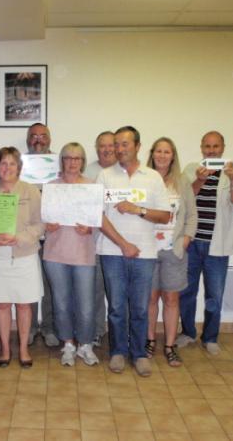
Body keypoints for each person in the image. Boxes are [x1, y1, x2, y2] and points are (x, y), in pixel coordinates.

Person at [98, 126, 171, 377]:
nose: (119, 149)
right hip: (112, 251)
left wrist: (137, 209)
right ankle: (118, 351)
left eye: (124, 144)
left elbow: (164, 215)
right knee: (117, 307)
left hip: (145, 254)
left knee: (140, 307)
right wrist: (123, 244)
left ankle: (139, 354)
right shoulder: (105, 176)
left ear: (138, 146)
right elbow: (98, 216)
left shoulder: (152, 177)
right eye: (116, 144)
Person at [0, 147, 45, 368]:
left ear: (19, 167)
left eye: (12, 163)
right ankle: (5, 348)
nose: (7, 168)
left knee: (25, 306)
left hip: (24, 255)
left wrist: (19, 238)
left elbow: (40, 224)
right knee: (3, 305)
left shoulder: (31, 191)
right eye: (3, 163)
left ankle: (23, 349)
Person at [177, 131, 233, 355]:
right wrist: (200, 179)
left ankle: (211, 337)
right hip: (192, 242)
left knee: (214, 294)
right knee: (187, 292)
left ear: (223, 148)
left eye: (216, 146)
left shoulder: (232, 173)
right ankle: (187, 332)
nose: (211, 150)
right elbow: (183, 199)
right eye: (207, 146)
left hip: (218, 245)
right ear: (201, 148)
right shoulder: (190, 169)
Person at [43, 142, 99, 367]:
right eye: (68, 158)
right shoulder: (51, 187)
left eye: (77, 158)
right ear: (62, 161)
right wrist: (47, 224)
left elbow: (98, 220)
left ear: (82, 162)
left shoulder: (92, 187)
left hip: (83, 253)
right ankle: (68, 344)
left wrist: (91, 228)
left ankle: (85, 344)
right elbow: (40, 219)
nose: (72, 162)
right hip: (55, 253)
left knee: (86, 303)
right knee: (61, 302)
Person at [145, 137, 197, 367]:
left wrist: (186, 239)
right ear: (152, 154)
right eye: (158, 151)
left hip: (173, 250)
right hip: (147, 249)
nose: (162, 155)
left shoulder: (183, 181)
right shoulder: (145, 179)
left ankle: (170, 345)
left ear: (173, 155)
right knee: (150, 298)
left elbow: (192, 215)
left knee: (171, 298)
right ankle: (149, 341)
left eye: (167, 152)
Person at [25, 123, 59, 347]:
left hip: (54, 234)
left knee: (50, 285)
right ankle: (28, 328)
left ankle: (48, 328)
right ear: (28, 140)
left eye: (43, 136)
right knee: (28, 283)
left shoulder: (59, 164)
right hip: (27, 234)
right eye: (34, 136)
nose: (38, 139)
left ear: (50, 139)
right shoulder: (20, 165)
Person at [84, 130, 116, 346]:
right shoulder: (88, 171)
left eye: (110, 146)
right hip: (93, 241)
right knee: (94, 291)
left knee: (117, 294)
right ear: (96, 149)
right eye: (101, 146)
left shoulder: (123, 172)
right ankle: (96, 330)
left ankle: (118, 334)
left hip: (118, 242)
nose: (106, 150)